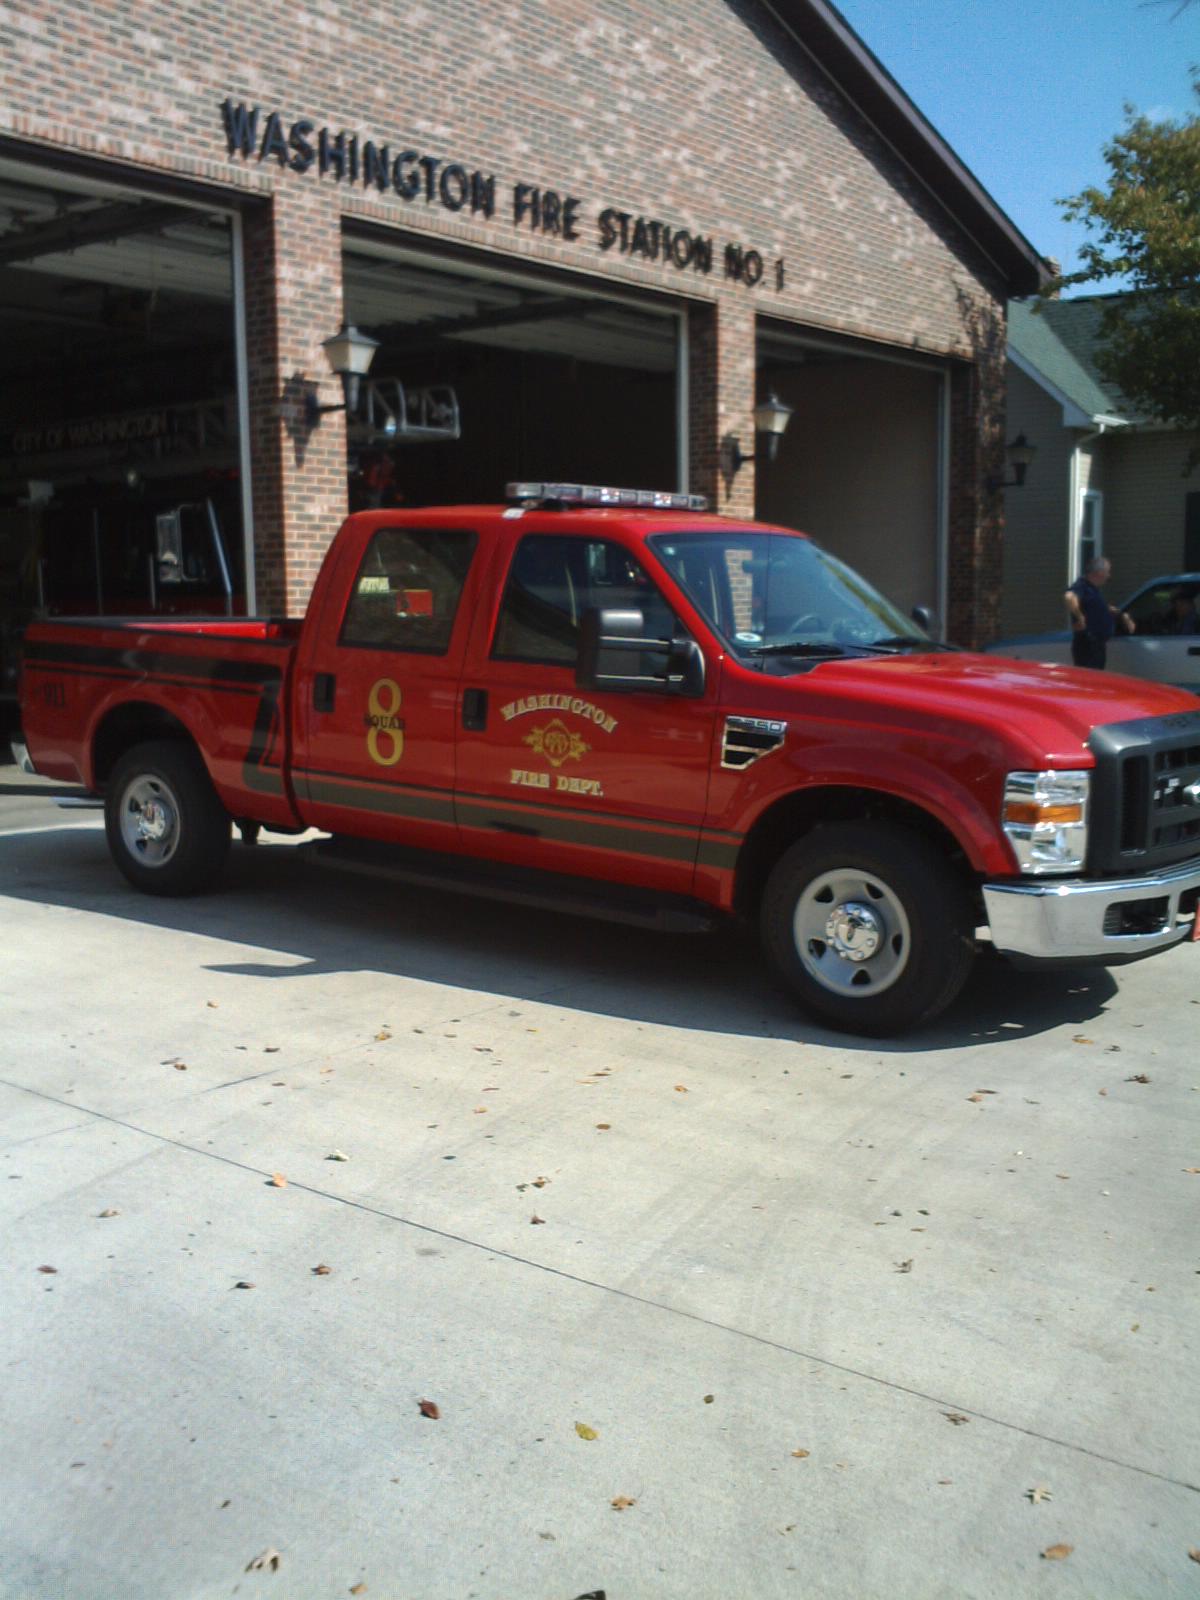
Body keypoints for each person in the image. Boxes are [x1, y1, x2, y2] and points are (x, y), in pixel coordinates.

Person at [1064, 556, 1133, 670]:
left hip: (1097, 645)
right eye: (1107, 572)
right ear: (1099, 573)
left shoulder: (1093, 590)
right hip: (1088, 645)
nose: (1108, 576)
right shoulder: (1082, 585)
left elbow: (1095, 608)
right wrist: (1079, 616)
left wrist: (1121, 615)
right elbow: (1069, 597)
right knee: (1089, 680)